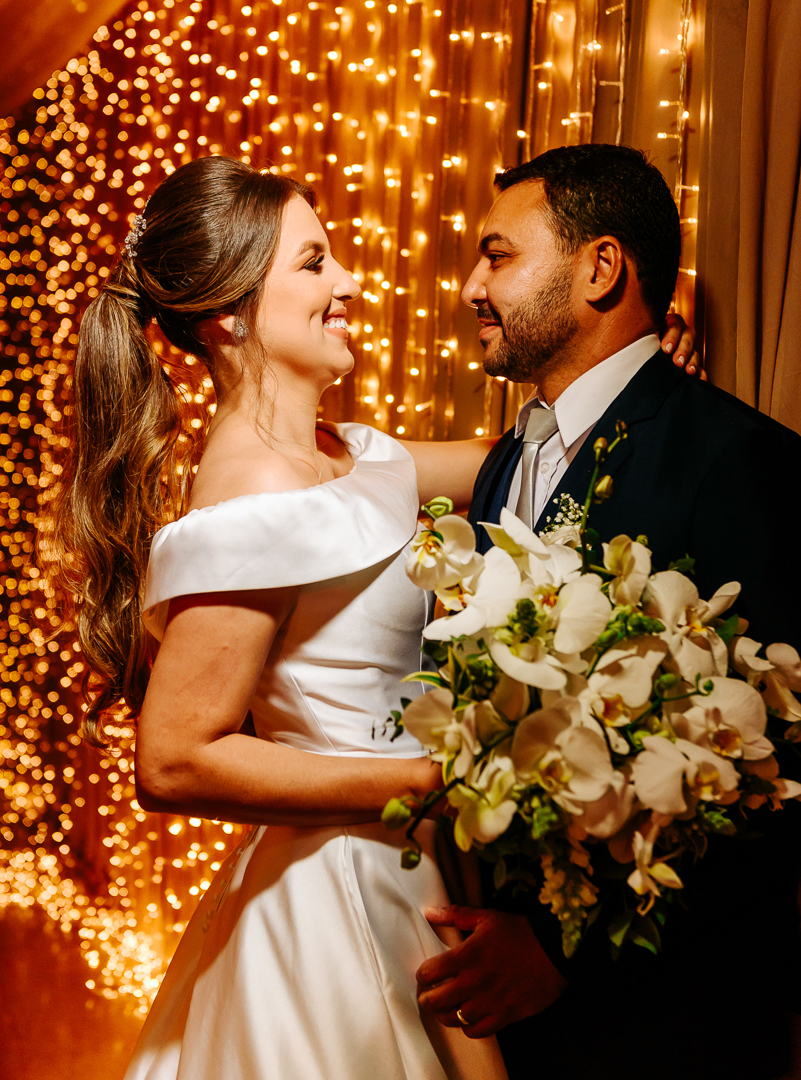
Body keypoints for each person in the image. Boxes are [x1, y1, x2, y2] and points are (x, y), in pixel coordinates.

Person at [54, 154, 698, 1080]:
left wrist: (639, 368)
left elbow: (514, 456)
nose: (348, 282)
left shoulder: (349, 454)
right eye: (313, 264)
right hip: (334, 890)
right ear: (230, 314)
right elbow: (174, 757)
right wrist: (440, 778)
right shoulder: (251, 495)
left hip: (417, 867)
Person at [414, 144, 801, 1080]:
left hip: (664, 1024)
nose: (469, 286)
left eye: (497, 255)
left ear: (599, 266)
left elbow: (777, 770)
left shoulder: (737, 460)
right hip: (505, 1023)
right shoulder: (509, 463)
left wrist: (560, 950)